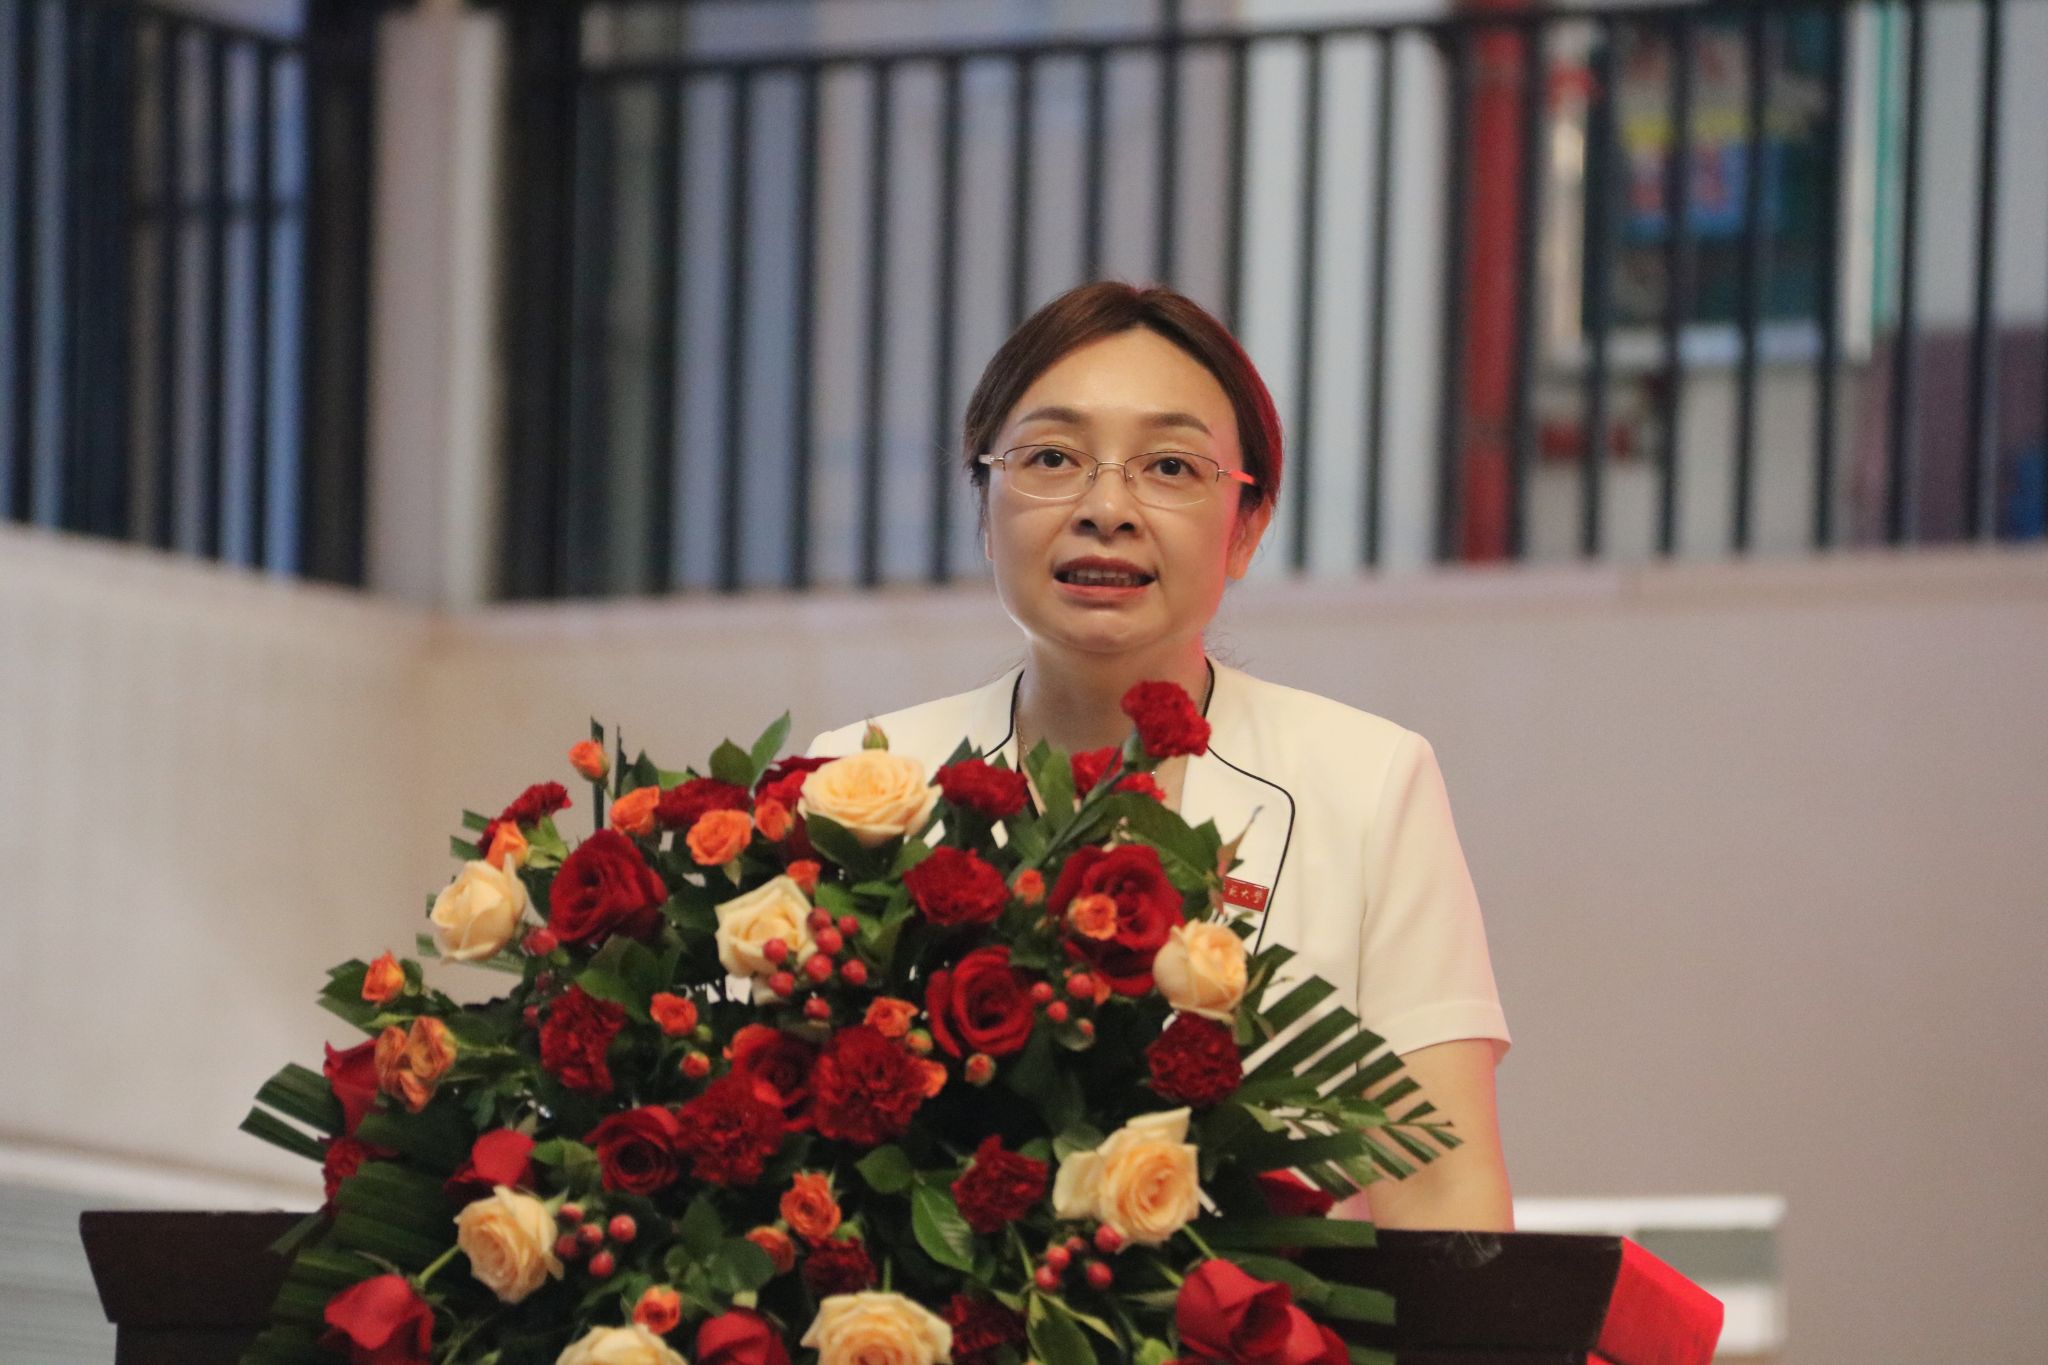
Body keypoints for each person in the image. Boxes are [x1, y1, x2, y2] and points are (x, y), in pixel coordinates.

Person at [806, 281, 1512, 1232]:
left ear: (1247, 527)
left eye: (1170, 466)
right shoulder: (858, 780)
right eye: (1051, 458)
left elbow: (1443, 1198)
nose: (1107, 508)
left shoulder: (1368, 783)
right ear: (985, 505)